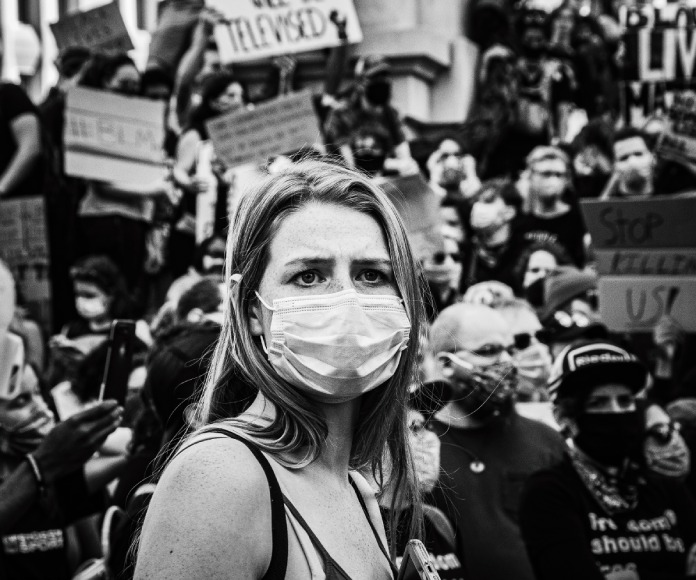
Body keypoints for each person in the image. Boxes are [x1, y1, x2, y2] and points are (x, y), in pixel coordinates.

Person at [135, 159, 425, 578]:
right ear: (251, 309)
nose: (347, 300)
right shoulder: (221, 477)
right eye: (309, 276)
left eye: (371, 274)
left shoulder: (357, 487)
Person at [520, 339, 696, 579]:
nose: (616, 412)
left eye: (625, 401)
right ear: (564, 418)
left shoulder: (667, 489)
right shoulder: (549, 492)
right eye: (597, 402)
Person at [423, 302, 566, 580]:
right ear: (446, 364)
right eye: (488, 351)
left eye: (510, 350)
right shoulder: (419, 448)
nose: (506, 362)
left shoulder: (546, 440)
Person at [77, 54, 175, 295]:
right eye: (123, 85)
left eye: (135, 86)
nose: (131, 92)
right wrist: (154, 188)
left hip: (133, 221)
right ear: (104, 83)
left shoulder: (139, 121)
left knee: (127, 295)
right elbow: (101, 184)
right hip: (104, 221)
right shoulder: (93, 118)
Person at [324, 55, 419, 176]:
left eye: (384, 77)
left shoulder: (390, 114)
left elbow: (405, 158)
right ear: (360, 84)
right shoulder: (341, 115)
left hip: (385, 183)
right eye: (375, 77)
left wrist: (404, 166)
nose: (382, 82)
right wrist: (390, 165)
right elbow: (350, 167)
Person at [513, 146, 588, 267]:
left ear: (567, 179)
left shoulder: (579, 220)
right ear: (531, 176)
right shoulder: (518, 221)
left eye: (558, 175)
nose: (553, 180)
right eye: (546, 174)